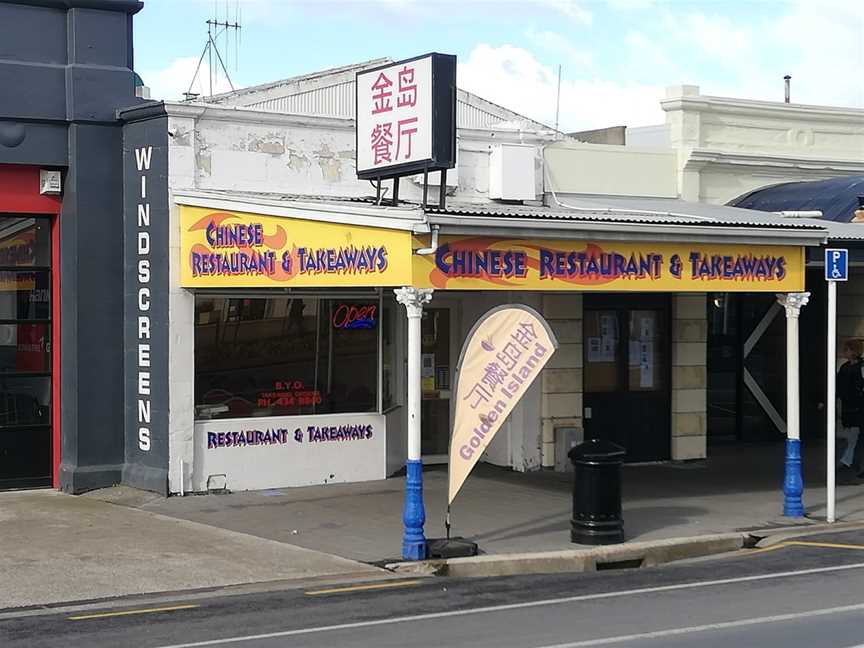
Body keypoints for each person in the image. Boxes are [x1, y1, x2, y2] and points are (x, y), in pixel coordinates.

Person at [836, 339, 864, 482]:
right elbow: (839, 386)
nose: (845, 352)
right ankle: (849, 460)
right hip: (849, 405)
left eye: (847, 350)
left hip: (859, 406)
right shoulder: (845, 367)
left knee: (855, 435)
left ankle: (848, 461)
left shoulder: (860, 367)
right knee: (854, 435)